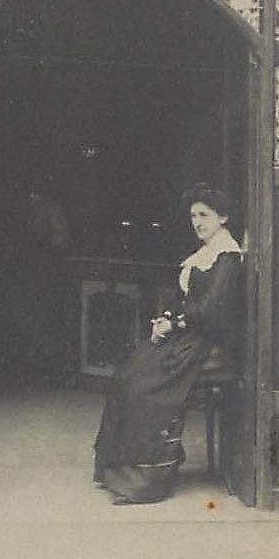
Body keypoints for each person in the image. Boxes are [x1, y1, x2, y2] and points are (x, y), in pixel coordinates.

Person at [93, 184, 243, 505]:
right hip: (190, 335)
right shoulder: (204, 254)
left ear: (224, 217)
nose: (197, 222)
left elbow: (211, 311)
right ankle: (118, 471)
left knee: (144, 387)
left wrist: (175, 324)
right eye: (193, 216)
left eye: (204, 215)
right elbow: (187, 300)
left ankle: (146, 480)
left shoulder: (227, 256)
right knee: (126, 376)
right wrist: (165, 319)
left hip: (209, 346)